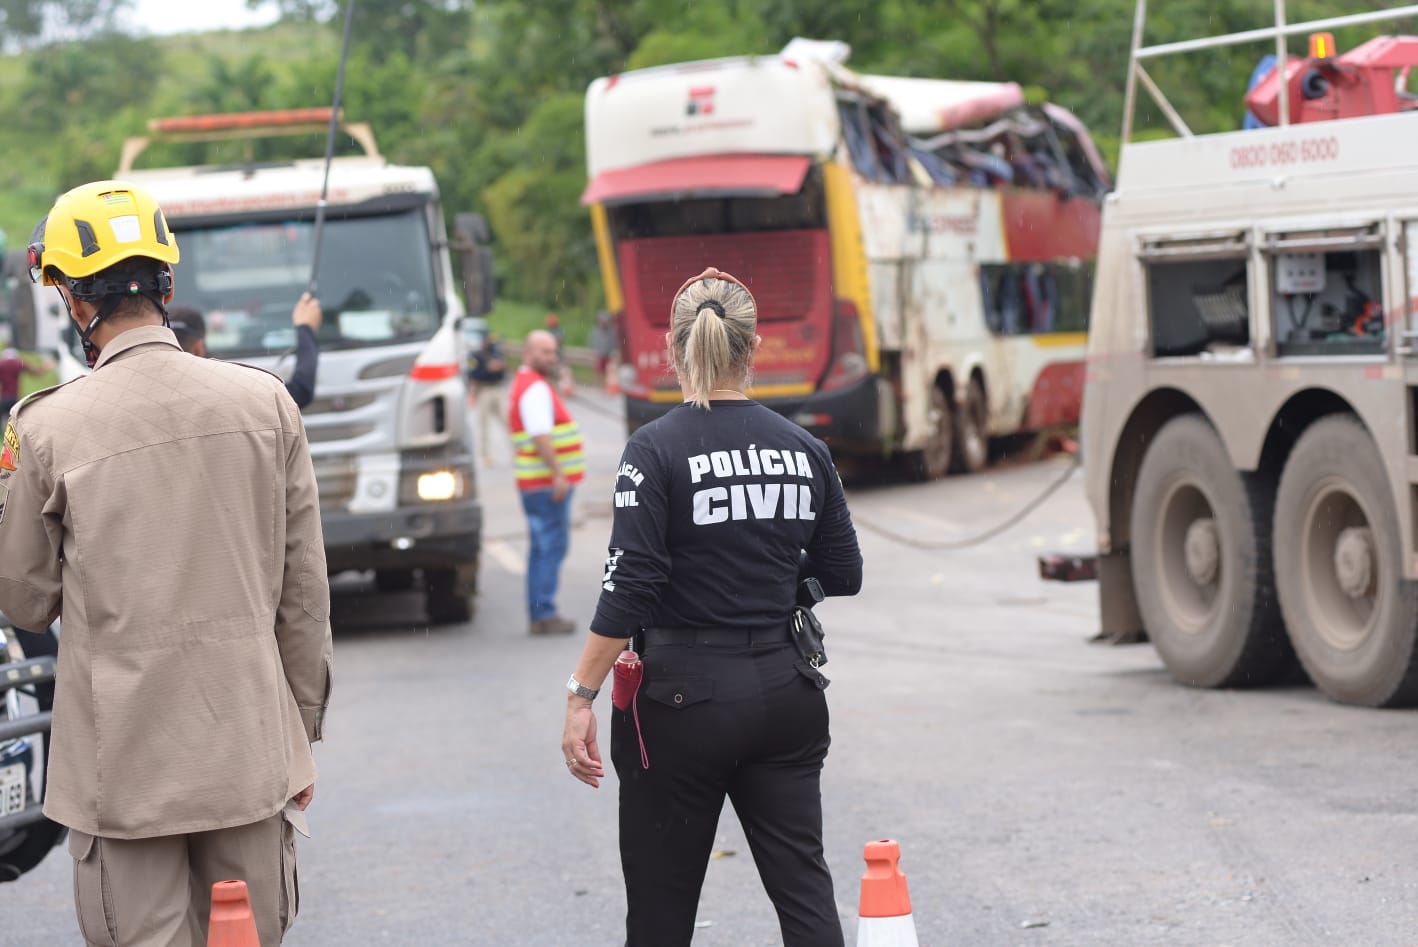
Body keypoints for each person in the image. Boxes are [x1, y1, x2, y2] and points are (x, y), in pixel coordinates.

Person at [0, 180, 333, 946]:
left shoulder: (46, 429)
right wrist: (300, 732)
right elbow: (305, 594)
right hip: (251, 752)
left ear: (74, 301)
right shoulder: (267, 403)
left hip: (122, 774)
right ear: (167, 283)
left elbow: (23, 600)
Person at [559, 267, 863, 946]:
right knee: (805, 896)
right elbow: (844, 571)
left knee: (662, 913)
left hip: (681, 703)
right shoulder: (804, 448)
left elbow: (631, 581)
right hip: (788, 691)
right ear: (752, 349)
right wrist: (778, 583)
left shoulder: (654, 449)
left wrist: (582, 691)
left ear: (675, 349)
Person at [509, 329, 584, 635]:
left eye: (554, 352)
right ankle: (544, 613)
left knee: (543, 547)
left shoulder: (529, 385)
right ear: (528, 353)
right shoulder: (535, 389)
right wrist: (559, 473)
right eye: (545, 352)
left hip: (536, 483)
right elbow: (540, 436)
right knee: (549, 546)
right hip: (544, 484)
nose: (551, 358)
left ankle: (541, 612)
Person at [169, 294, 323, 409]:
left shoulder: (150, 399)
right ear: (199, 348)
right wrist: (305, 329)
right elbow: (300, 392)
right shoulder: (228, 396)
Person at [467, 329, 508, 466]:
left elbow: (504, 371)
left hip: (497, 388)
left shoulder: (497, 353)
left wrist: (499, 366)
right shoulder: (475, 356)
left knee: (507, 420)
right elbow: (472, 376)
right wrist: (472, 395)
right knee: (483, 424)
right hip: (483, 390)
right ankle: (486, 456)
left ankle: (518, 451)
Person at [0, 347, 51, 417]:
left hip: (4, 398)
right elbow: (36, 373)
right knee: (15, 420)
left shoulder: (1, 365)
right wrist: (46, 366)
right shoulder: (18, 364)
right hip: (15, 398)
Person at [589, 309, 616, 385]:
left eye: (605, 321)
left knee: (608, 370)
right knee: (599, 370)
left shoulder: (611, 331)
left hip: (608, 354)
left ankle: (606, 384)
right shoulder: (596, 331)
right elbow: (593, 342)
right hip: (599, 354)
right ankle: (599, 384)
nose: (604, 322)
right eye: (602, 321)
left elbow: (613, 343)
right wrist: (595, 351)